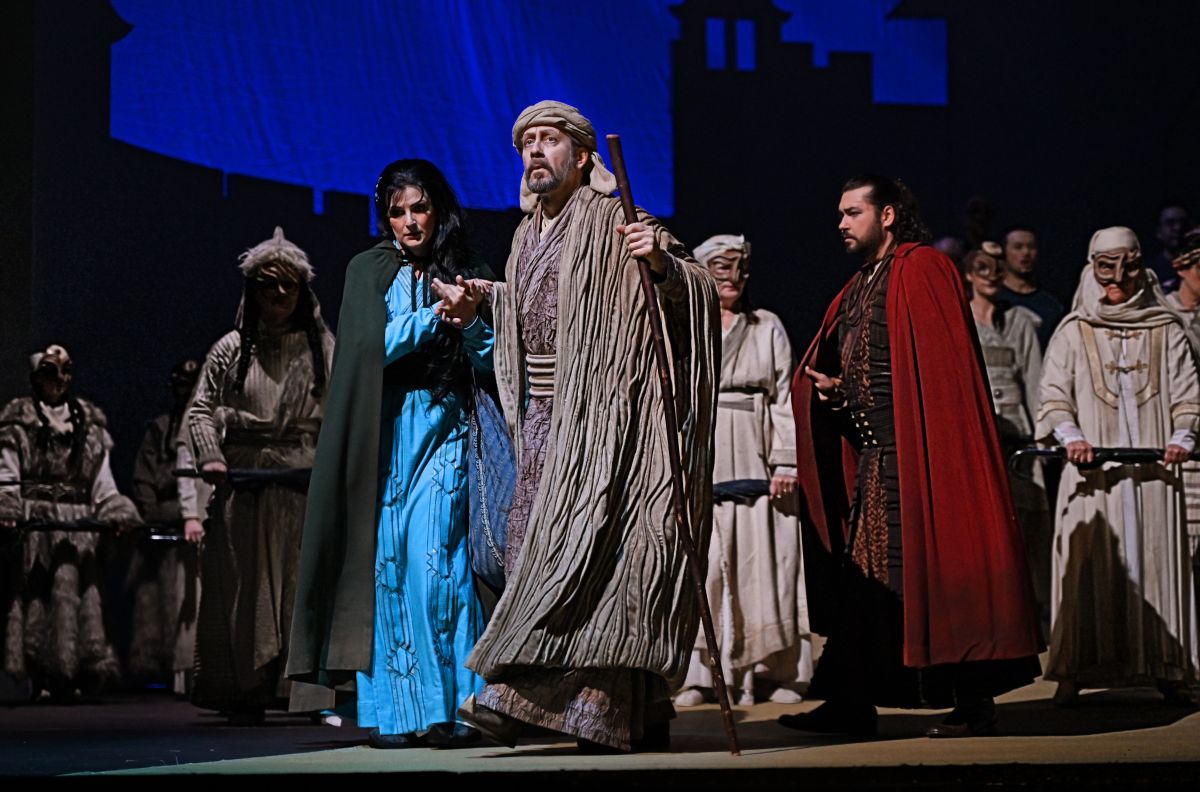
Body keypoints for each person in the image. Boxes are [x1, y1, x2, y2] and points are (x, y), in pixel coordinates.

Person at [455, 100, 720, 753]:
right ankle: (635, 708)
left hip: (611, 421)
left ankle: (581, 706)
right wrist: (487, 300)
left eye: (549, 140)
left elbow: (696, 290)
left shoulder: (617, 218)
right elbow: (537, 306)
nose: (534, 152)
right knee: (537, 554)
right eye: (527, 143)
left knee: (602, 559)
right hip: (544, 423)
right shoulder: (525, 236)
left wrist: (660, 264)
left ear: (581, 156)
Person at [784, 175, 1042, 740]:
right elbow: (873, 368)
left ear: (888, 215)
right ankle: (851, 703)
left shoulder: (923, 269)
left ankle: (972, 702)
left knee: (946, 572)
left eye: (853, 212)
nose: (841, 223)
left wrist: (925, 445)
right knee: (866, 586)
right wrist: (838, 392)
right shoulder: (861, 284)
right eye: (840, 213)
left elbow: (942, 376)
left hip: (923, 455)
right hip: (877, 463)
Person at [287, 160, 495, 749]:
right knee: (386, 566)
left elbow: (494, 361)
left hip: (446, 425)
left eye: (419, 207)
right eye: (397, 211)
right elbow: (363, 351)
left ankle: (457, 709)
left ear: (439, 209)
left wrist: (469, 319)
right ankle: (397, 715)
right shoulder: (368, 269)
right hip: (381, 430)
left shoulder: (473, 273)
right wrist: (431, 317)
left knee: (437, 565)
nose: (410, 221)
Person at [1036, 226, 1199, 707]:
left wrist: (1182, 437)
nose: (1118, 278)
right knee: (1089, 567)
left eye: (1127, 266)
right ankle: (1075, 670)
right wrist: (1071, 436)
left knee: (1157, 563)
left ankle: (1168, 667)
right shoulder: (1074, 330)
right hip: (1095, 476)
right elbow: (1053, 395)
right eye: (1106, 266)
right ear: (1093, 267)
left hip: (1153, 476)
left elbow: (1187, 394)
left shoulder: (1166, 328)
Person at [184, 227, 335, 722]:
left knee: (301, 587)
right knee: (245, 590)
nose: (279, 294)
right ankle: (245, 690)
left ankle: (303, 692)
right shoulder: (230, 348)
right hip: (244, 486)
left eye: (288, 284)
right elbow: (199, 410)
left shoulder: (322, 349)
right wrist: (211, 455)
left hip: (301, 486)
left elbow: (341, 414)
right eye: (268, 284)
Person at [673, 234, 812, 709]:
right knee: (705, 567)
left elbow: (782, 396)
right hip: (704, 455)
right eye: (720, 268)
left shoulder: (766, 326)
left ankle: (768, 671)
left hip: (755, 456)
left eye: (738, 269)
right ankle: (702, 675)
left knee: (762, 565)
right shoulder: (688, 326)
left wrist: (786, 460)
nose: (731, 277)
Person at [0, 344, 141, 700]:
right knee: (34, 595)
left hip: (77, 526)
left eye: (66, 372)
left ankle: (78, 671)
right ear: (36, 377)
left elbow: (102, 483)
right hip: (36, 524)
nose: (58, 381)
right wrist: (8, 508)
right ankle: (36, 672)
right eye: (50, 372)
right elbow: (7, 474)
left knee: (81, 596)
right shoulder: (18, 423)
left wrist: (116, 512)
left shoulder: (88, 425)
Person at [964, 243, 1052, 626]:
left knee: (1029, 520)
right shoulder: (961, 319)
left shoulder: (1020, 321)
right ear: (969, 274)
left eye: (998, 269)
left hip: (1020, 440)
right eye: (983, 268)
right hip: (981, 439)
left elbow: (1034, 380)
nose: (991, 276)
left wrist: (1042, 436)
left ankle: (1032, 611)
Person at [125, 358, 204, 692]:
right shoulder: (159, 429)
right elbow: (144, 478)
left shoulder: (205, 424)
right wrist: (156, 512)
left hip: (196, 522)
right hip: (163, 529)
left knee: (191, 602)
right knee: (156, 603)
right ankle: (161, 668)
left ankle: (191, 671)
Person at [999, 226, 1065, 350]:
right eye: (1018, 247)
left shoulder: (1051, 307)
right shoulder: (992, 299)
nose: (1026, 253)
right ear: (1004, 252)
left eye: (1031, 247)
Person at [1145, 203, 1191, 291]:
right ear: (1159, 232)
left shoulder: (1196, 268)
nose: (1178, 228)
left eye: (1183, 222)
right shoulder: (1149, 271)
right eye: (1170, 223)